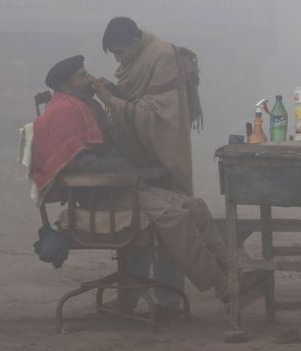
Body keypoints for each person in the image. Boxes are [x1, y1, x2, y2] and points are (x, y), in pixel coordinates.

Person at [31, 55, 263, 316]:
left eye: (86, 73)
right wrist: (124, 172)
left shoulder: (86, 105)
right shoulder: (64, 111)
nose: (89, 79)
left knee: (194, 206)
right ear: (65, 86)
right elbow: (77, 164)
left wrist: (112, 96)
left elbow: (112, 140)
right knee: (176, 217)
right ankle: (224, 288)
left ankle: (236, 272)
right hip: (101, 195)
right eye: (81, 76)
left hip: (123, 187)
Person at [92, 17, 203, 311]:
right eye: (113, 55)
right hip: (140, 157)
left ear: (135, 42)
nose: (118, 59)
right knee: (135, 223)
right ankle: (130, 292)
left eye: (120, 53)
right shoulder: (141, 59)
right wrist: (116, 92)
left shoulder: (163, 55)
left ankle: (168, 298)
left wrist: (113, 102)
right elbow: (138, 100)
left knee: (172, 227)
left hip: (164, 152)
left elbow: (157, 114)